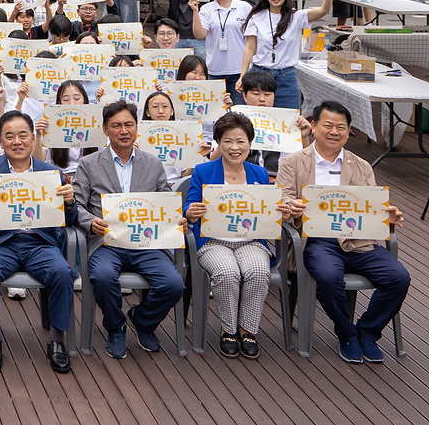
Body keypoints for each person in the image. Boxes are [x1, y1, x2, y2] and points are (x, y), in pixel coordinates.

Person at [279, 101, 409, 363]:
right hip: (316, 240)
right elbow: (281, 199)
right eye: (327, 125)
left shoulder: (361, 165)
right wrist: (291, 207)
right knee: (328, 276)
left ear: (349, 131)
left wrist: (388, 218)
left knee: (398, 277)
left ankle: (368, 332)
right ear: (313, 126)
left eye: (341, 127)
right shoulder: (293, 161)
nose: (334, 131)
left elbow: (371, 208)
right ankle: (346, 333)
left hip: (357, 240)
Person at [0, 110, 77, 372]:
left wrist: (69, 202)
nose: (17, 141)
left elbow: (68, 219)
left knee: (62, 272)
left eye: (23, 135)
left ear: (33, 139)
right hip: (1, 244)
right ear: (1, 142)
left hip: (40, 243)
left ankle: (57, 339)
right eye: (9, 136)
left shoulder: (52, 173)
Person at [72, 100, 184, 358]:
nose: (124, 130)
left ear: (137, 128)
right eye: (117, 125)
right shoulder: (89, 164)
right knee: (102, 277)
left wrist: (176, 219)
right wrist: (91, 222)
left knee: (173, 284)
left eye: (129, 125)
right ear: (105, 129)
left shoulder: (153, 163)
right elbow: (76, 205)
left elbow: (166, 201)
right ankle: (115, 326)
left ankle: (142, 320)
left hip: (145, 242)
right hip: (106, 242)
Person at [183, 111, 291, 358]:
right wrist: (192, 211)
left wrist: (280, 212)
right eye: (228, 141)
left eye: (241, 141)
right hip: (212, 241)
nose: (234, 147)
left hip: (250, 240)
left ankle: (248, 329)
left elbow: (268, 211)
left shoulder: (260, 174)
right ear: (218, 143)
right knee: (227, 272)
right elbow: (188, 206)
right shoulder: (203, 171)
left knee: (258, 271)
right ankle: (228, 329)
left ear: (250, 144)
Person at [237, 0, 335, 111]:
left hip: (286, 76)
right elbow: (250, 47)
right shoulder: (256, 17)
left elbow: (324, 10)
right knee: (259, 119)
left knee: (289, 120)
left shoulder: (296, 17)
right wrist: (242, 75)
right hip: (259, 74)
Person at [191, 0, 250, 103]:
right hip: (215, 70)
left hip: (239, 71)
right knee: (216, 112)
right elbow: (200, 35)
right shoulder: (206, 9)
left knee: (238, 112)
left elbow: (252, 39)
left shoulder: (244, 7)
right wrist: (195, 12)